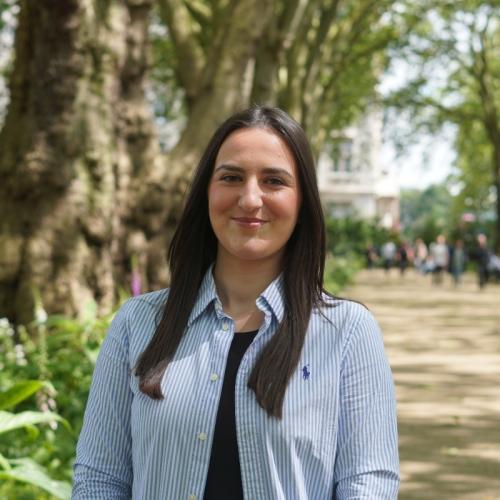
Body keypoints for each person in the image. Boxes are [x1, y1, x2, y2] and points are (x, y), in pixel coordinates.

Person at [72, 106, 399, 499]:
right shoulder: (137, 323)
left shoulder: (346, 332)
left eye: (273, 181)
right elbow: (100, 479)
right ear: (206, 193)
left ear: (302, 203)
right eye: (231, 177)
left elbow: (368, 484)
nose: (249, 198)